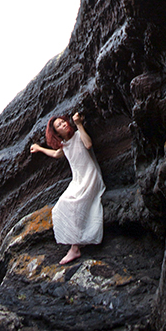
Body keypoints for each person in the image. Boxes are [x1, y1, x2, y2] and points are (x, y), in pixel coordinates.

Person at [30, 111, 105, 265]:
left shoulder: (78, 135)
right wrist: (39, 148)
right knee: (59, 207)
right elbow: (56, 154)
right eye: (59, 125)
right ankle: (75, 243)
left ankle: (75, 248)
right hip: (78, 180)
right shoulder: (64, 145)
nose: (64, 124)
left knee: (73, 202)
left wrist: (79, 124)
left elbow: (88, 144)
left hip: (90, 177)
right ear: (57, 133)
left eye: (63, 121)